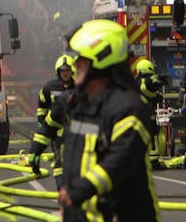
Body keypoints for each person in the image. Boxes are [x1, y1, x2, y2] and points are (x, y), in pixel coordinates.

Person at [58, 19, 158, 221]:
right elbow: (74, 157)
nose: (75, 64)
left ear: (101, 59)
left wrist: (79, 190)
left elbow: (121, 159)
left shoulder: (128, 107)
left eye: (81, 60)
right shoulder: (83, 105)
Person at [27, 54, 75, 175]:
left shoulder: (80, 86)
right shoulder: (49, 87)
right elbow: (42, 108)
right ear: (58, 71)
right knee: (60, 160)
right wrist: (43, 125)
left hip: (74, 129)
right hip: (55, 128)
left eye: (68, 70)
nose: (65, 73)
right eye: (63, 70)